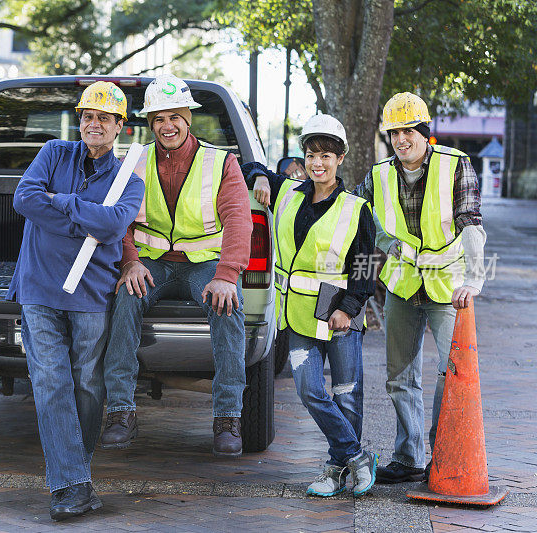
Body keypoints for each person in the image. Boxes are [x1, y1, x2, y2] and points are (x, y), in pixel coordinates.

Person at [7, 81, 144, 520]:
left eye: (104, 118)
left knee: (87, 383)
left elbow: (114, 224)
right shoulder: (52, 153)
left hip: (90, 292)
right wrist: (83, 219)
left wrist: (62, 203)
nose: (94, 124)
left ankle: (75, 478)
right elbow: (25, 199)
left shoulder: (130, 180)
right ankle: (71, 485)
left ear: (119, 126)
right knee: (51, 382)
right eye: (88, 116)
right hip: (38, 285)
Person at [99, 73, 253, 457]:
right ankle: (119, 412)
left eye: (174, 117)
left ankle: (228, 419)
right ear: (150, 124)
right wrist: (130, 263)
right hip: (151, 264)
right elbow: (119, 220)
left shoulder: (222, 163)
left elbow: (238, 219)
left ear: (188, 117)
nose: (166, 126)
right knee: (125, 301)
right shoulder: (133, 162)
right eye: (158, 119)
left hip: (204, 265)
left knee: (229, 306)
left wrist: (226, 276)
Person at [354, 92, 486, 484]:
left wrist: (473, 280)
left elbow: (471, 222)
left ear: (423, 132)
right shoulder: (378, 175)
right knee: (400, 375)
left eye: (408, 130)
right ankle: (409, 457)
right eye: (394, 132)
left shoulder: (454, 165)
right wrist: (382, 241)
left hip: (448, 284)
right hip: (402, 283)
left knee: (452, 374)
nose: (401, 139)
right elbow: (352, 210)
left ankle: (442, 456)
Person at [243, 114, 379, 497]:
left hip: (340, 317)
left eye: (326, 156)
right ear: (303, 159)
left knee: (347, 392)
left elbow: (367, 264)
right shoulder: (287, 191)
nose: (318, 163)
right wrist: (258, 177)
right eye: (312, 155)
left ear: (340, 159)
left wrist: (349, 309)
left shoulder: (356, 208)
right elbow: (246, 164)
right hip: (300, 317)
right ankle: (356, 456)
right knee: (309, 390)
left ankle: (336, 469)